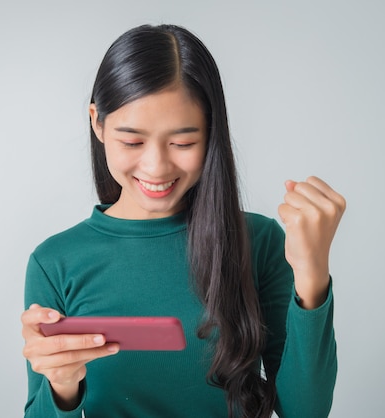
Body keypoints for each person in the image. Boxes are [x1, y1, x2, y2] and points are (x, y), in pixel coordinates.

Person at [21, 24, 345, 418]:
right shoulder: (54, 262)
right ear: (97, 122)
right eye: (132, 141)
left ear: (212, 134)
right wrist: (62, 386)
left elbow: (306, 412)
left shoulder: (256, 242)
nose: (156, 166)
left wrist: (312, 275)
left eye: (183, 142)